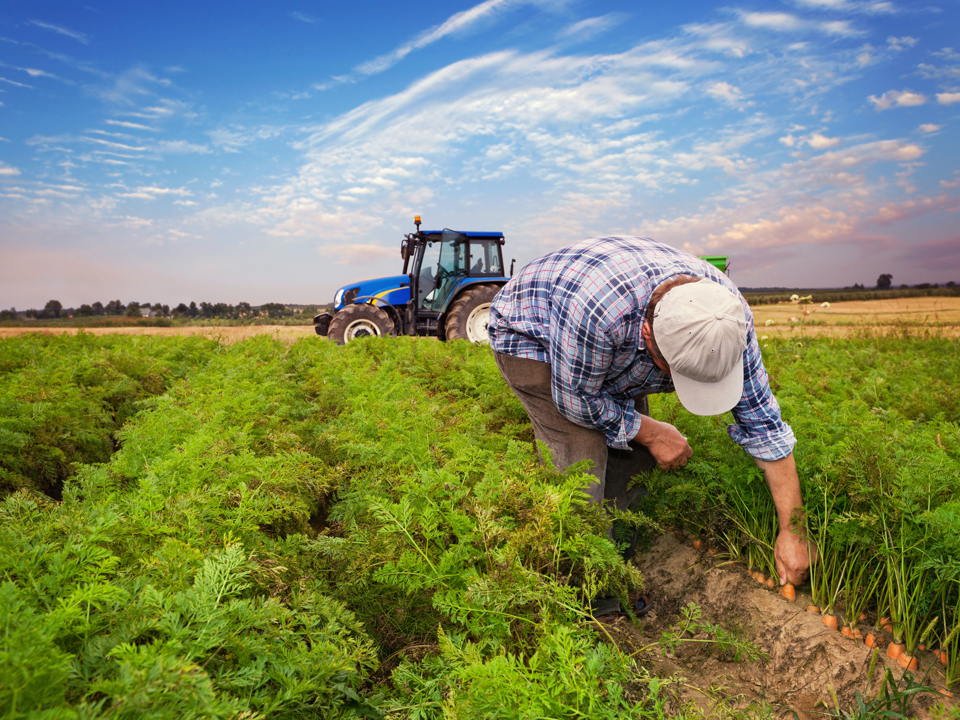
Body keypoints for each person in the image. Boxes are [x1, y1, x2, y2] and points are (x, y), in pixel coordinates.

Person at [487, 236, 811, 606]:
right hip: (535, 337)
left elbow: (764, 427)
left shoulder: (725, 318)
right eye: (675, 372)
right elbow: (576, 400)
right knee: (581, 464)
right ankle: (585, 591)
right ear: (647, 336)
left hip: (607, 336)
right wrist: (652, 430)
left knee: (634, 459)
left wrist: (794, 530)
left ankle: (619, 556)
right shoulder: (598, 314)